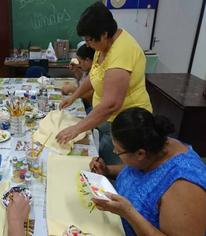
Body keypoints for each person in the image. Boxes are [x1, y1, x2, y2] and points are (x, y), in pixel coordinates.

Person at [56, 2, 152, 165]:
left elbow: (111, 104)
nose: (87, 44)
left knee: (118, 171)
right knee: (102, 162)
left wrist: (77, 129)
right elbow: (94, 78)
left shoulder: (122, 52)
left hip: (127, 126)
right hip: (107, 123)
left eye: (89, 40)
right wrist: (74, 96)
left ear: (104, 33)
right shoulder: (103, 45)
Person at [89, 107, 206, 236]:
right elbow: (134, 171)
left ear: (140, 153)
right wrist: (107, 170)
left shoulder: (184, 185)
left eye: (117, 151)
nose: (114, 152)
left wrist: (129, 214)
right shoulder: (152, 146)